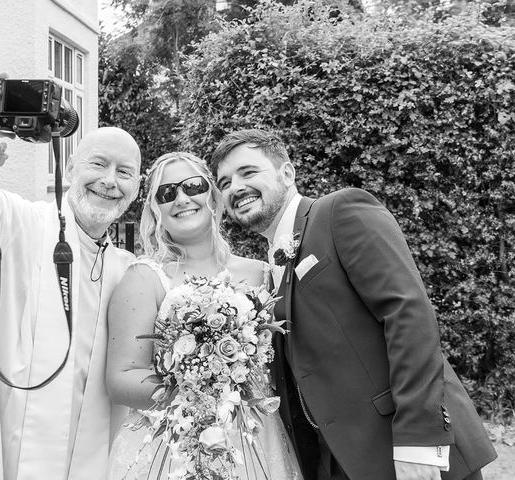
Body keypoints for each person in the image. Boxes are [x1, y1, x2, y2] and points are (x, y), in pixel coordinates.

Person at [210, 129, 497, 480]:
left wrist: (419, 439)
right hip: (338, 461)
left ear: (287, 173)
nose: (235, 188)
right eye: (224, 183)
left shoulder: (339, 212)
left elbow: (408, 315)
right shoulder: (267, 269)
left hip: (405, 450)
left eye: (248, 172)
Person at [0, 70, 141, 480]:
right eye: (98, 164)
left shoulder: (125, 271)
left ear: (137, 188)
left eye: (124, 172)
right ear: (70, 167)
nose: (110, 181)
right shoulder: (20, 223)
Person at [105, 152, 303, 479]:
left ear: (212, 195)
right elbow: (121, 379)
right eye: (167, 193)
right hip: (174, 449)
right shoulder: (145, 278)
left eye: (192, 186)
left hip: (254, 439)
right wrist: (192, 382)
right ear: (156, 211)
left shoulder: (261, 273)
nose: (181, 198)